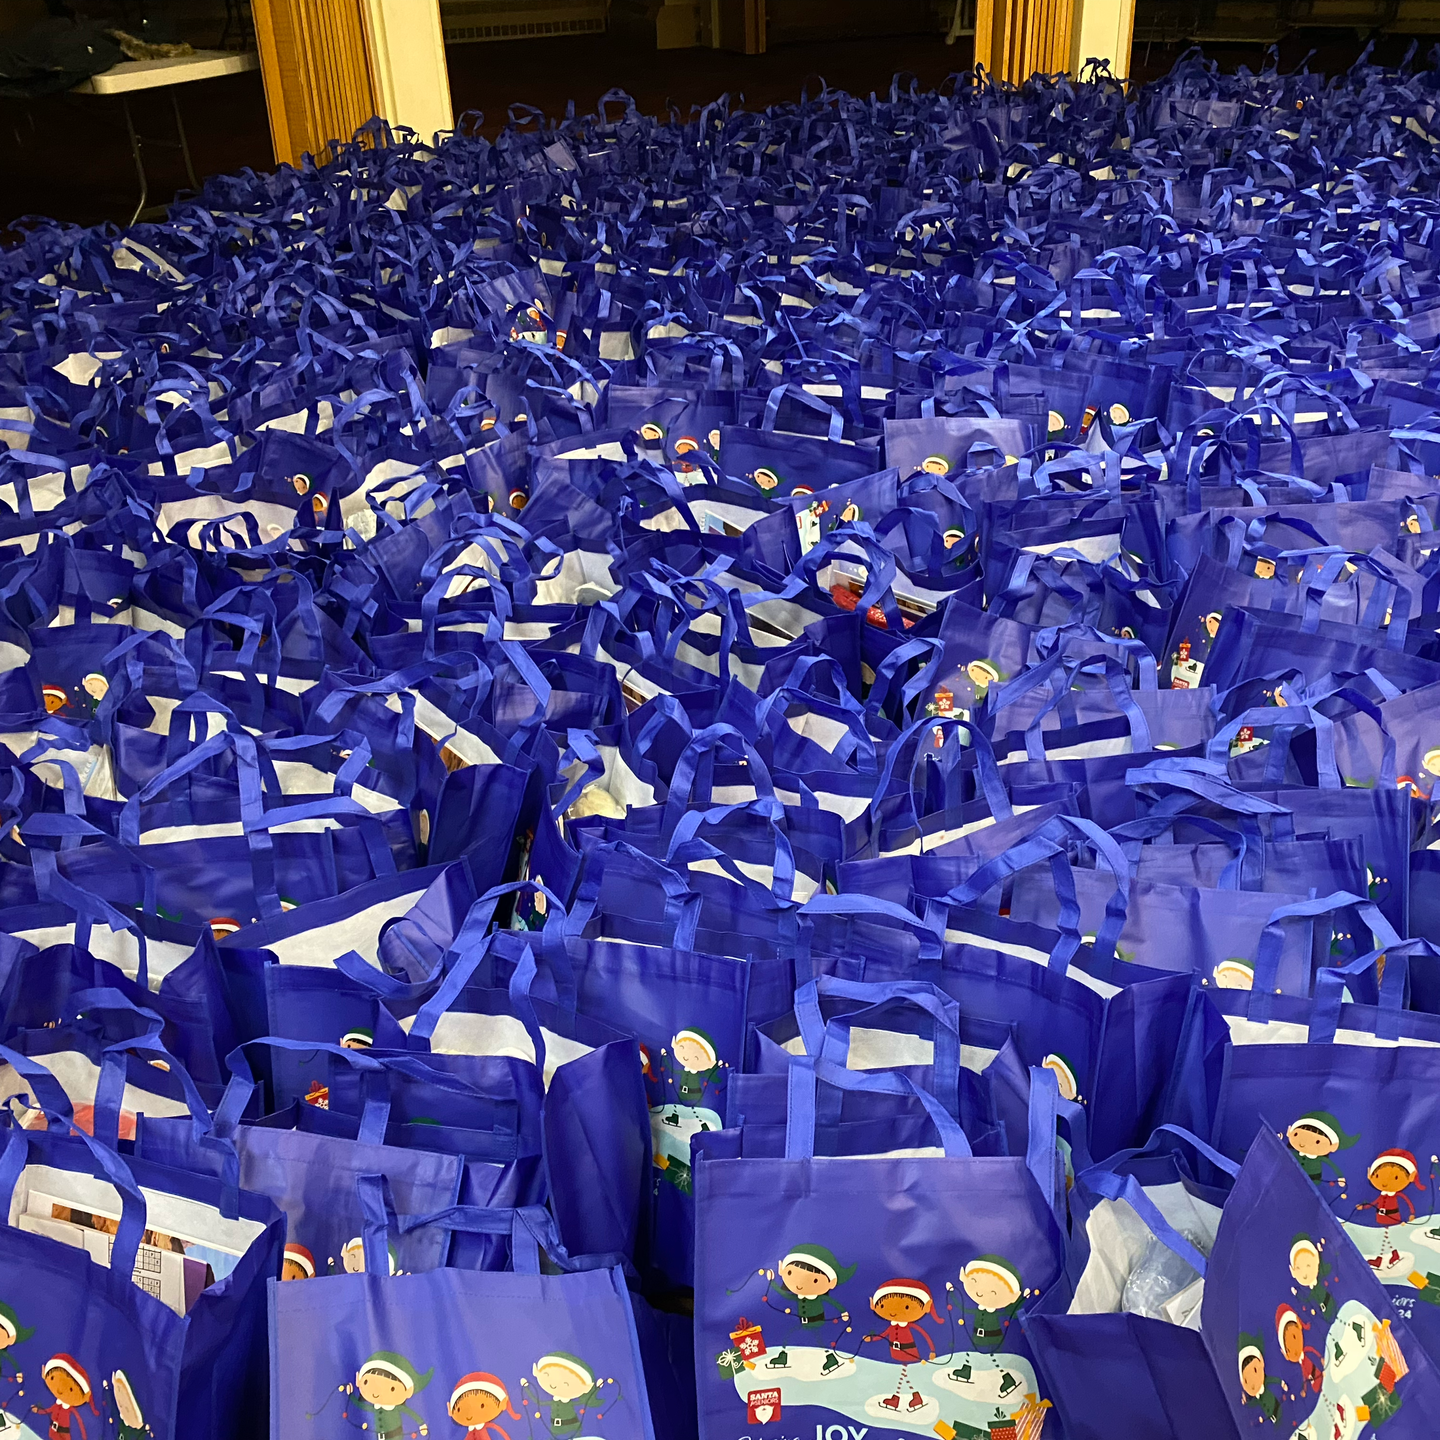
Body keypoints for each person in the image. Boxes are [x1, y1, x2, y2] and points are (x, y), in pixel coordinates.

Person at [760, 1244, 854, 1374]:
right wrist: (772, 1282)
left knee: (821, 1340)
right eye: (790, 1273)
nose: (799, 1285)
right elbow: (785, 1295)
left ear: (831, 1282)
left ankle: (831, 1359)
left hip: (817, 1321)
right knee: (790, 1335)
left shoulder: (818, 1297)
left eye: (815, 1280)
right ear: (782, 1269)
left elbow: (831, 1301)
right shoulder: (798, 1296)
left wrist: (843, 1312)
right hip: (804, 1322)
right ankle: (783, 1357)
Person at [863, 1279, 937, 1413]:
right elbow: (883, 1335)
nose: (893, 1312)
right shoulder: (893, 1326)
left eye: (907, 1307)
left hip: (909, 1353)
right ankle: (902, 1398)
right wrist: (871, 1339)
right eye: (884, 1306)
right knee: (902, 1376)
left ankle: (909, 1398)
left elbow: (924, 1336)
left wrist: (931, 1350)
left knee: (904, 1376)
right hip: (896, 1353)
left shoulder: (909, 1327)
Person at [344, 1351, 431, 1440]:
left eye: (392, 1388)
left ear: (408, 1391)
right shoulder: (376, 1407)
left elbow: (410, 1412)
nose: (376, 1393)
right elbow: (362, 1406)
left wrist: (421, 1424)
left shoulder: (394, 1408)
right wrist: (350, 1395)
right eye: (366, 1382)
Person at [1356, 1150, 1420, 1269]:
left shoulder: (1396, 1195)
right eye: (1378, 1176)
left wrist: (1411, 1214)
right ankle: (1392, 1255)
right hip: (1381, 1218)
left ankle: (1381, 1259)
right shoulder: (1383, 1195)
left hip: (1392, 1218)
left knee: (1385, 1237)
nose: (1385, 1183)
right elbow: (1374, 1203)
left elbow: (1408, 1202)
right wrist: (1363, 1207)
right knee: (1386, 1238)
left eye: (1395, 1177)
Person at [953, 1256, 1025, 1353]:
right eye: (974, 1282)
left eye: (993, 1292)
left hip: (995, 1336)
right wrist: (952, 1293)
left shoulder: (996, 1313)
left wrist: (1023, 1299)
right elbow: (964, 1309)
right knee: (973, 1350)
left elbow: (1012, 1314)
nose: (981, 1293)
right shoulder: (979, 1309)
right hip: (977, 1335)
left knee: (996, 1350)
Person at [526, 1353, 599, 1437]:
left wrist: (597, 1388)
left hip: (572, 1426)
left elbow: (585, 1401)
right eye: (547, 1375)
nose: (554, 1384)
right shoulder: (553, 1401)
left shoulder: (570, 1402)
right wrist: (527, 1388)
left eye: (566, 1384)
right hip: (555, 1428)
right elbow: (538, 1402)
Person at [32, 1355, 98, 1440]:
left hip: (64, 1434)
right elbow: (48, 1410)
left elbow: (79, 1422)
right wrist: (38, 1411)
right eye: (52, 1378)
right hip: (52, 1431)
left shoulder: (70, 1410)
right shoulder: (57, 1404)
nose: (60, 1390)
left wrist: (84, 1437)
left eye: (71, 1389)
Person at [1284, 1111, 1356, 1185]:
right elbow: (1283, 1152)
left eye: (1317, 1142)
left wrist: (1340, 1177)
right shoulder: (1294, 1153)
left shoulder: (1319, 1158)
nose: (1303, 1143)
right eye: (1296, 1134)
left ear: (1332, 1146)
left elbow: (1332, 1165)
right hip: (1293, 1176)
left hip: (1314, 1178)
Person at [446, 1372, 518, 1440]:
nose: (470, 1415)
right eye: (459, 1409)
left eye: (482, 1406)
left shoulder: (492, 1429)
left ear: (502, 1403)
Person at [1276, 1305, 1323, 1394]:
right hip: (1314, 1381)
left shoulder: (1307, 1351)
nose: (1294, 1350)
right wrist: (1304, 1390)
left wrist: (1321, 1358)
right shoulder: (1301, 1366)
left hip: (1319, 1372)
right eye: (1289, 1349)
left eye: (1294, 1337)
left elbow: (1313, 1351)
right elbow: (1304, 1377)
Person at [1289, 1235, 1337, 1321]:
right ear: (1293, 1272)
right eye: (1298, 1268)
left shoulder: (1324, 1275)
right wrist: (1297, 1293)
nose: (1305, 1273)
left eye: (1308, 1265)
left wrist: (1324, 1248)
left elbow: (1332, 1263)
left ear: (1317, 1259)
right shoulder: (1305, 1292)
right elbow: (1306, 1299)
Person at [1238, 1335, 1280, 1423]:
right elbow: (1253, 1403)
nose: (1253, 1381)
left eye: (1255, 1370)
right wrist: (1246, 1401)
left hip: (1274, 1402)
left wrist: (1281, 1383)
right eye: (1246, 1380)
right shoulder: (1255, 1396)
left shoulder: (1266, 1383)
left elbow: (1273, 1380)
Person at [104, 1370, 150, 1440]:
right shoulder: (122, 1426)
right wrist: (107, 1391)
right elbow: (113, 1410)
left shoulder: (140, 1434)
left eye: (126, 1408)